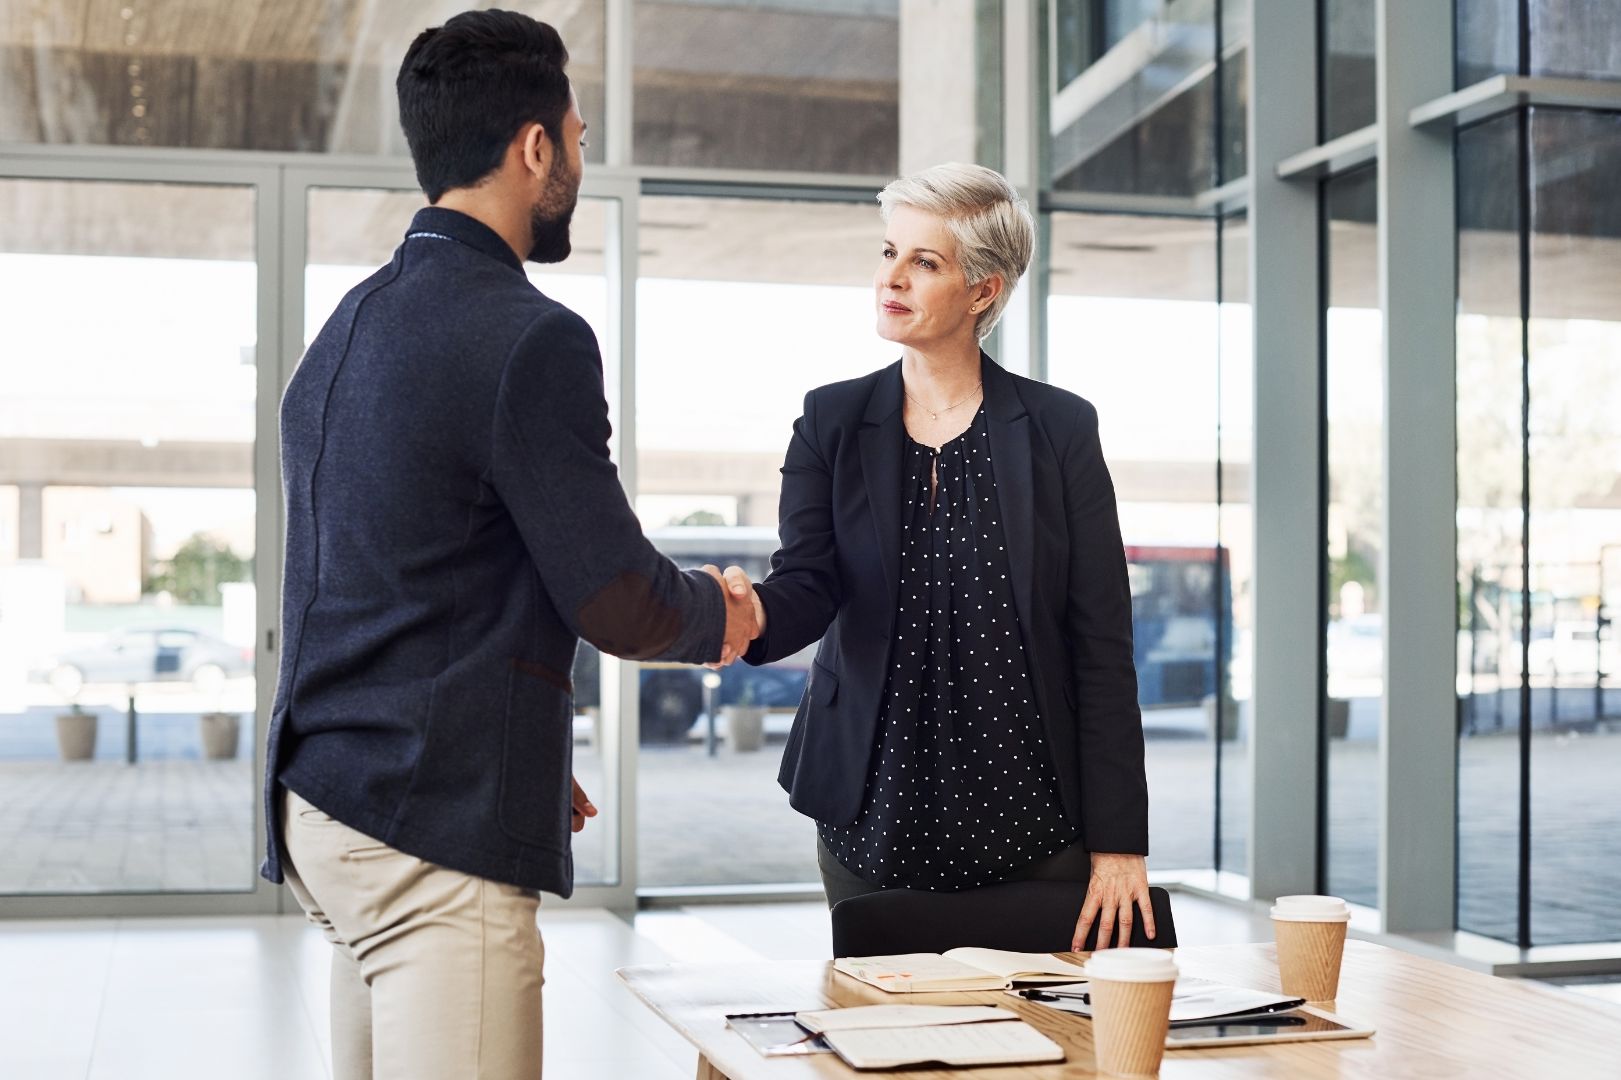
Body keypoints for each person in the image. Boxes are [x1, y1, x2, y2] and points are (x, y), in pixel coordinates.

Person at [260, 12, 757, 1079]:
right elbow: (616, 595)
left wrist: (520, 751)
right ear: (535, 147)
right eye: (575, 137)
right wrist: (731, 615)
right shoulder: (527, 335)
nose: (580, 159)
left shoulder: (349, 327)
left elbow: (409, 578)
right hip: (425, 836)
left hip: (328, 801)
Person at [733, 162, 1152, 951]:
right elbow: (807, 584)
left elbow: (1101, 645)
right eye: (888, 252)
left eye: (923, 262)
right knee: (886, 1051)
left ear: (982, 290)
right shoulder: (830, 419)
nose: (891, 278)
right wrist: (746, 613)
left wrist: (1119, 842)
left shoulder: (1060, 430)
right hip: (870, 810)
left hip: (1035, 821)